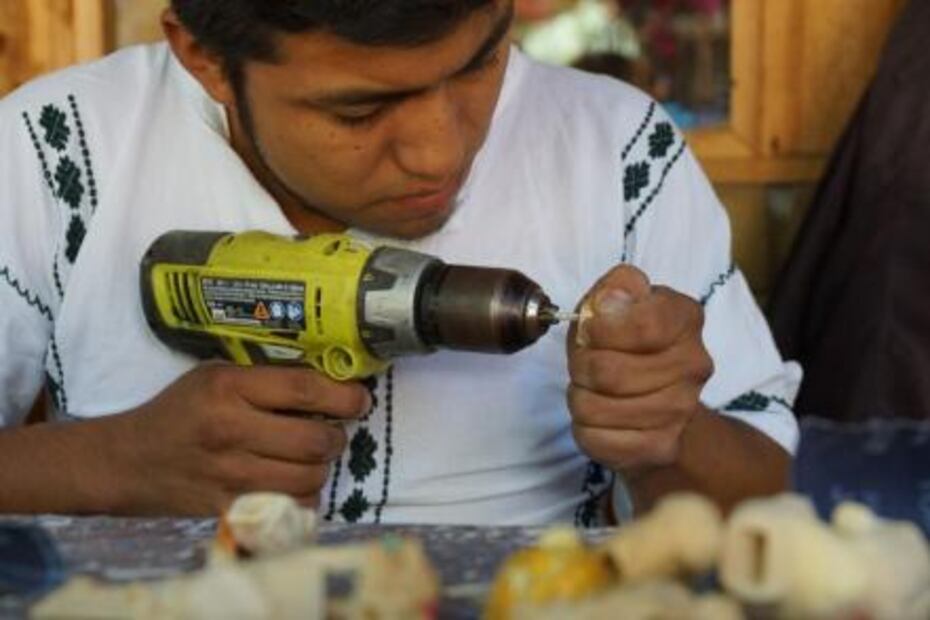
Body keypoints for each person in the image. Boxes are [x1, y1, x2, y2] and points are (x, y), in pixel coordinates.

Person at [0, 0, 799, 525]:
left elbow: (761, 509)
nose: (440, 151)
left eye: (482, 61)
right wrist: (106, 463)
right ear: (202, 56)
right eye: (360, 108)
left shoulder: (615, 150)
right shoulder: (57, 151)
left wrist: (669, 436)